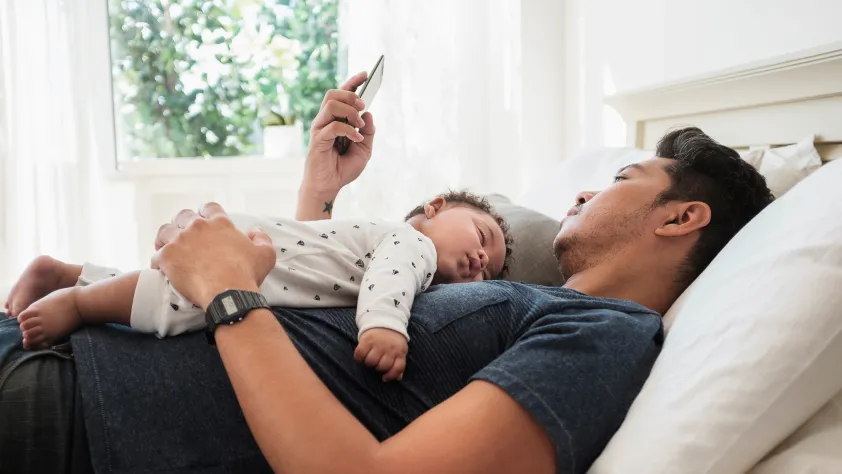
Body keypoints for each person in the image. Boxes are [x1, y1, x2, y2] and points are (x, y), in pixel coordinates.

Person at [0, 71, 774, 474]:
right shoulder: (523, 300)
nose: (583, 190)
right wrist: (320, 196)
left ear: (681, 218)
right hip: (68, 360)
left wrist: (229, 293)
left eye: (622, 181)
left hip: (73, 418)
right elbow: (329, 313)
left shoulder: (605, 335)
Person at [6, 189, 512, 381]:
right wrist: (384, 327)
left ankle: (67, 273)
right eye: (483, 236)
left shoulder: (403, 252)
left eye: (491, 268)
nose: (482, 259)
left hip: (259, 252)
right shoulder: (412, 244)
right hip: (255, 263)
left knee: (169, 285)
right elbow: (390, 279)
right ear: (436, 207)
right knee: (178, 304)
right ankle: (78, 302)